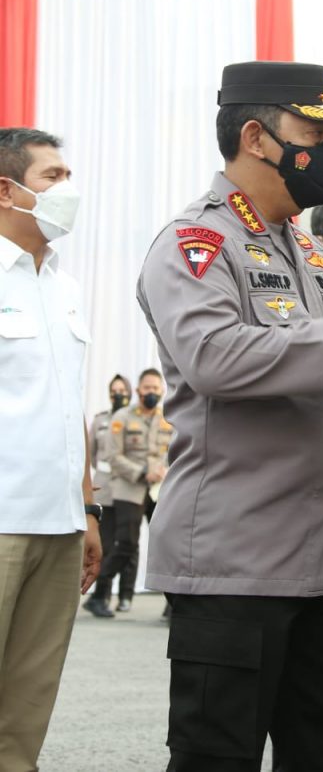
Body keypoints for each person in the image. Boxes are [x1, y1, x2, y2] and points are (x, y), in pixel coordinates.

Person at [137, 61, 323, 772]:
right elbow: (215, 358)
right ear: (257, 138)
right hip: (235, 567)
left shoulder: (310, 249)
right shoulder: (195, 243)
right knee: (218, 758)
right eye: (315, 134)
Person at [0, 127, 103, 769]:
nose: (69, 190)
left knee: (26, 708)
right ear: (6, 190)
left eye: (68, 176)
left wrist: (88, 511)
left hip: (60, 528)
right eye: (52, 177)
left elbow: (71, 407)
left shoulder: (64, 288)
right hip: (2, 522)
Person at [91, 367, 173, 615]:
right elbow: (113, 456)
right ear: (138, 390)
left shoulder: (169, 417)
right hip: (129, 487)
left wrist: (164, 470)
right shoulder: (122, 417)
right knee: (126, 544)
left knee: (169, 545)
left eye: (155, 388)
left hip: (160, 490)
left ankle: (173, 605)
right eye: (147, 388)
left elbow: (177, 450)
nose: (151, 392)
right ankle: (99, 594)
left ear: (162, 390)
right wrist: (142, 471)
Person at [82, 372, 131, 617]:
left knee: (129, 545)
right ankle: (101, 596)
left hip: (129, 488)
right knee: (108, 543)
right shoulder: (100, 419)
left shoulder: (136, 418)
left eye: (122, 390)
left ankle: (125, 596)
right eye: (114, 391)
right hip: (105, 490)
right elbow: (90, 454)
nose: (118, 394)